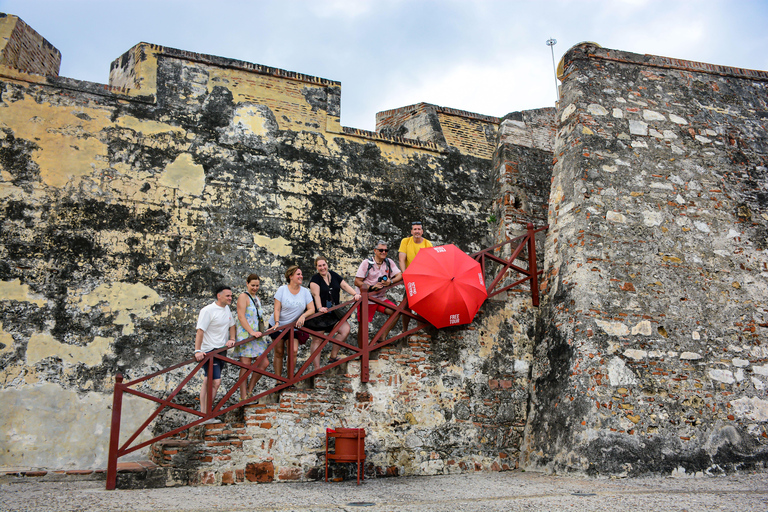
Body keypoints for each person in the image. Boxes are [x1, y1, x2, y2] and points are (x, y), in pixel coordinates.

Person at [305, 256, 361, 368]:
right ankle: (317, 368)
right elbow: (316, 295)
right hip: (319, 315)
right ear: (316, 267)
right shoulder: (315, 280)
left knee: (345, 330)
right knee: (317, 339)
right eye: (319, 266)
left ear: (327, 264)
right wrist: (320, 308)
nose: (322, 268)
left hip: (333, 313)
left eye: (323, 265)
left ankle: (333, 356)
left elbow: (344, 285)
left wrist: (355, 294)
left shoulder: (333, 275)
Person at [194, 285, 236, 415]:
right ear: (219, 296)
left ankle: (204, 413)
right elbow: (200, 331)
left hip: (221, 350)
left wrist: (232, 338)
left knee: (208, 381)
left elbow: (232, 325)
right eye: (228, 296)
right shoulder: (208, 310)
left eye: (231, 296)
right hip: (209, 352)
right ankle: (206, 413)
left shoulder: (227, 309)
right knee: (215, 382)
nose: (230, 298)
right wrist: (197, 351)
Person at [267, 265, 315, 378]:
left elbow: (311, 309)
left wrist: (303, 315)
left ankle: (290, 379)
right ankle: (278, 379)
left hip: (292, 327)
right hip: (277, 325)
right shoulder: (282, 290)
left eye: (301, 274)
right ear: (291, 276)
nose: (301, 276)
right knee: (279, 352)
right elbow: (277, 308)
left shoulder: (305, 292)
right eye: (298, 274)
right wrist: (277, 322)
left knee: (293, 351)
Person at [231, 274, 269, 401]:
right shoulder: (243, 296)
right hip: (246, 335)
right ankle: (243, 397)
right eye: (252, 285)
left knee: (264, 363)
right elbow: (241, 317)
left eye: (257, 285)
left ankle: (249, 389)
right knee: (246, 366)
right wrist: (251, 332)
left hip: (256, 335)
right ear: (247, 284)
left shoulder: (256, 298)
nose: (255, 288)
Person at [354, 240, 403, 336]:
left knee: (396, 312)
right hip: (366, 299)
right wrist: (372, 287)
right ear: (375, 251)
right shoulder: (367, 263)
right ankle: (363, 350)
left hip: (380, 298)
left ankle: (381, 337)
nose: (384, 252)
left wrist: (390, 281)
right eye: (381, 250)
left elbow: (399, 275)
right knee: (363, 327)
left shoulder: (388, 262)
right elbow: (357, 281)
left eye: (386, 250)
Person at [398, 221, 433, 332]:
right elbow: (402, 259)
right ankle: (405, 329)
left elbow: (431, 262)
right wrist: (405, 274)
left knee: (422, 305)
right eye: (415, 229)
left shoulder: (428, 244)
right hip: (410, 278)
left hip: (423, 278)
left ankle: (421, 329)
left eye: (419, 229)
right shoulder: (406, 241)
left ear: (422, 232)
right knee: (406, 305)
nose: (417, 231)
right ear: (411, 231)